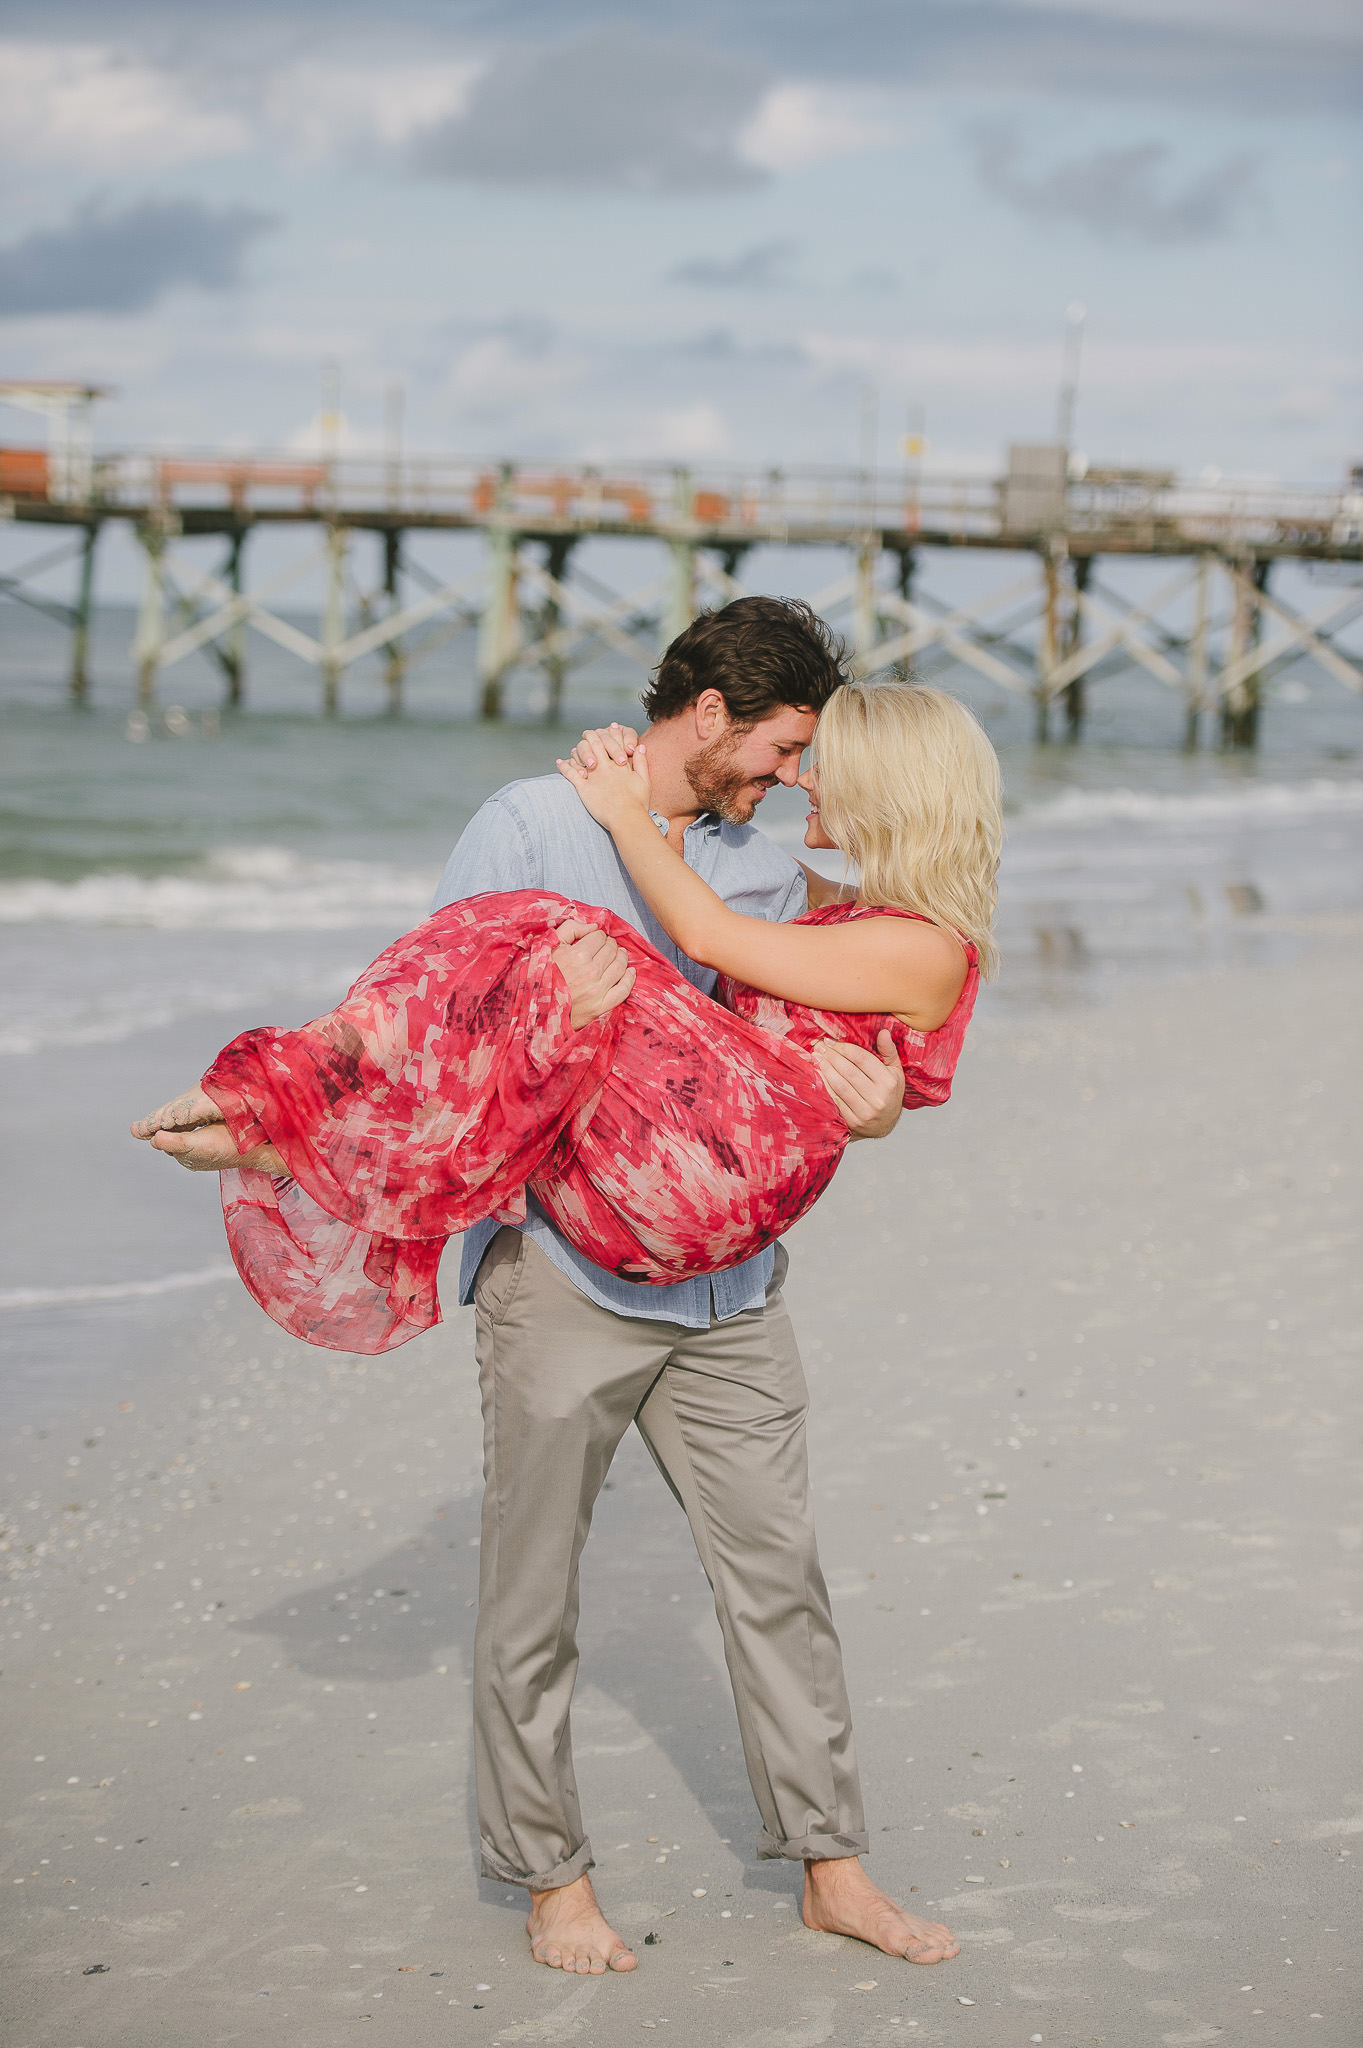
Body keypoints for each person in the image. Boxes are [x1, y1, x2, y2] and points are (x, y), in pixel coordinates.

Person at [133, 600, 1000, 1976]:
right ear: (708, 715)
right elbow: (427, 1018)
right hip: (570, 1274)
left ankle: (834, 1870)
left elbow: (805, 1038)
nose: (791, 778)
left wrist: (882, 1109)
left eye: (807, 763)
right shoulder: (532, 828)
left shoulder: (765, 878)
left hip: (730, 1292)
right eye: (781, 749)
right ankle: (551, 1881)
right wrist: (551, 1014)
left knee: (781, 1585)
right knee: (533, 1593)